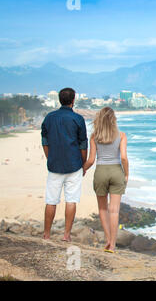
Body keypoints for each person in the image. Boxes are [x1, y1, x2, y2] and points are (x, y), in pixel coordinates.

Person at [41, 87, 88, 241]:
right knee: (71, 200)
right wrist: (83, 163)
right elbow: (82, 144)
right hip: (74, 164)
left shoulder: (49, 117)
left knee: (51, 200)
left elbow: (45, 141)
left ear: (59, 100)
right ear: (73, 100)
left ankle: (47, 234)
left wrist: (50, 157)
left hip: (54, 165)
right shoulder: (78, 119)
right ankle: (66, 235)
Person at [83, 107, 128, 253]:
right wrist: (126, 174)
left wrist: (83, 169)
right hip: (116, 171)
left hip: (101, 171)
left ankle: (108, 241)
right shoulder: (121, 135)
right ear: (113, 119)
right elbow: (123, 157)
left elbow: (91, 160)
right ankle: (113, 245)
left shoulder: (94, 136)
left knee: (102, 209)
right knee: (114, 210)